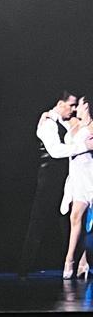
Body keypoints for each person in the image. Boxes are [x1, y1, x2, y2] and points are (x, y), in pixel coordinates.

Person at [20, 91, 93, 277]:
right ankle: (26, 266)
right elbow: (55, 151)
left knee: (75, 221)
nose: (74, 109)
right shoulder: (49, 123)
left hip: (77, 175)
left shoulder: (68, 122)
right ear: (61, 104)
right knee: (45, 219)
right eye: (72, 105)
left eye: (77, 105)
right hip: (53, 178)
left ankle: (79, 262)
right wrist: (84, 146)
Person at [59, 97, 93, 281]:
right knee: (77, 218)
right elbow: (58, 117)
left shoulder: (92, 127)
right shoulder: (73, 122)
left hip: (89, 176)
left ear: (86, 106)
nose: (74, 109)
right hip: (75, 177)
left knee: (81, 219)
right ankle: (81, 261)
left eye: (78, 105)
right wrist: (47, 115)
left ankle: (71, 259)